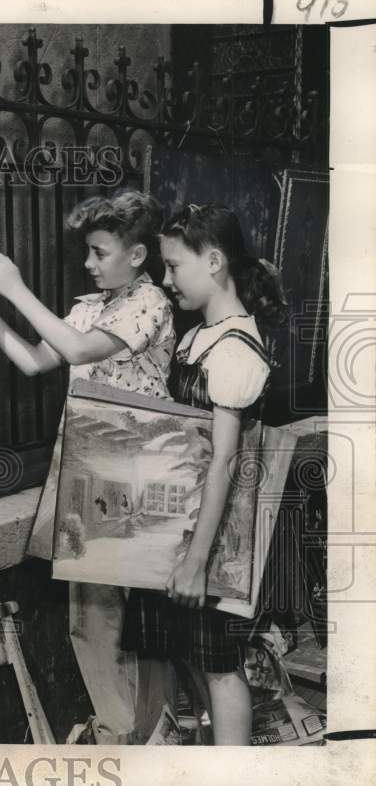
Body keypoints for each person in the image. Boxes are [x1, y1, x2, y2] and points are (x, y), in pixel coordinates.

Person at [0, 189, 175, 744]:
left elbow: (78, 352)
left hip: (135, 473)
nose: (88, 264)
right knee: (91, 614)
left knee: (130, 617)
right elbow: (38, 359)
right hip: (93, 471)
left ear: (136, 256)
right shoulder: (89, 308)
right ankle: (127, 730)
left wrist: (17, 289)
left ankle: (137, 732)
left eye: (99, 252)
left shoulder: (150, 303)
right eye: (87, 253)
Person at [121, 203, 287, 745]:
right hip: (184, 530)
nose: (166, 281)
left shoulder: (236, 350)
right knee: (185, 653)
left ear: (214, 261)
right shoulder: (198, 339)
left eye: (174, 267)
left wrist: (195, 563)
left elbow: (224, 463)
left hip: (218, 544)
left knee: (220, 666)